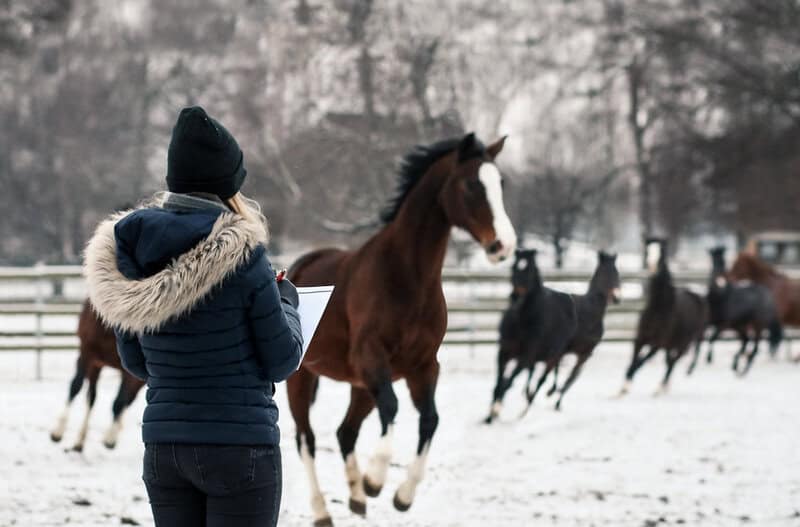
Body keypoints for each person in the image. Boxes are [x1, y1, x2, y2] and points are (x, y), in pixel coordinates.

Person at [83, 106, 303, 527]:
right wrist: (287, 302)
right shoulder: (244, 254)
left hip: (165, 450)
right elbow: (282, 359)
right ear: (227, 185)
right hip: (240, 448)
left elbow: (136, 362)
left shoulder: (131, 249)